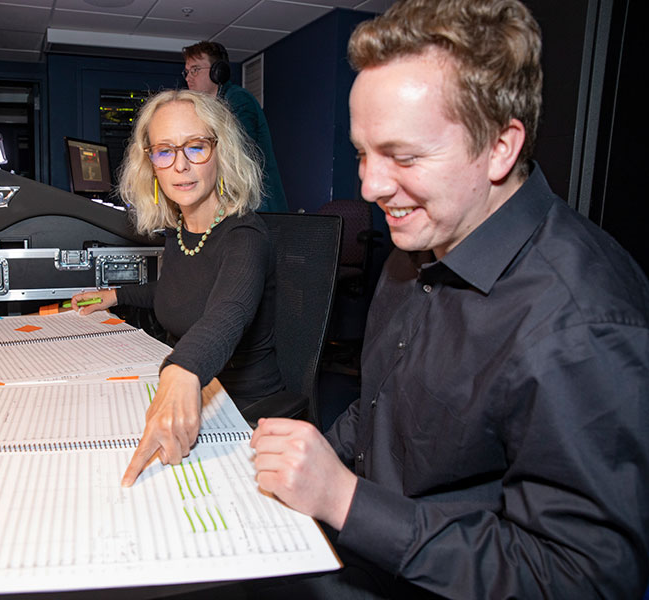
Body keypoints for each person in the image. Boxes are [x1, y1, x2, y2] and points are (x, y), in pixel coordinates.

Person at [248, 0, 649, 598]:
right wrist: (306, 463)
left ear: (499, 147)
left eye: (404, 156)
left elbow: (582, 577)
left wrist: (344, 499)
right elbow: (382, 407)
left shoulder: (583, 324)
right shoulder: (417, 249)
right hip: (371, 547)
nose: (371, 186)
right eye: (363, 152)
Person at [70, 89, 284, 488]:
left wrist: (181, 372)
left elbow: (228, 310)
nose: (181, 166)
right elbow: (177, 293)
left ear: (222, 153)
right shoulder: (181, 232)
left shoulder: (245, 235)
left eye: (196, 147)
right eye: (165, 151)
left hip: (245, 409)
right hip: (197, 385)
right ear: (151, 164)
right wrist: (116, 296)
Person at [182, 41, 288, 213]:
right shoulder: (211, 108)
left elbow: (237, 153)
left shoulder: (238, 100)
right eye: (187, 72)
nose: (188, 77)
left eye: (195, 70)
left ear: (218, 71)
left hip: (260, 208)